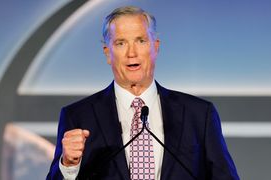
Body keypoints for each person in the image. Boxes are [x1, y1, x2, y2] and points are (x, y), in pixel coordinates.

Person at [47, 6, 240, 180]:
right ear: (107, 53)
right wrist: (69, 165)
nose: (132, 53)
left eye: (141, 40)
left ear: (155, 47)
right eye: (121, 43)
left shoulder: (198, 114)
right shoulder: (79, 116)